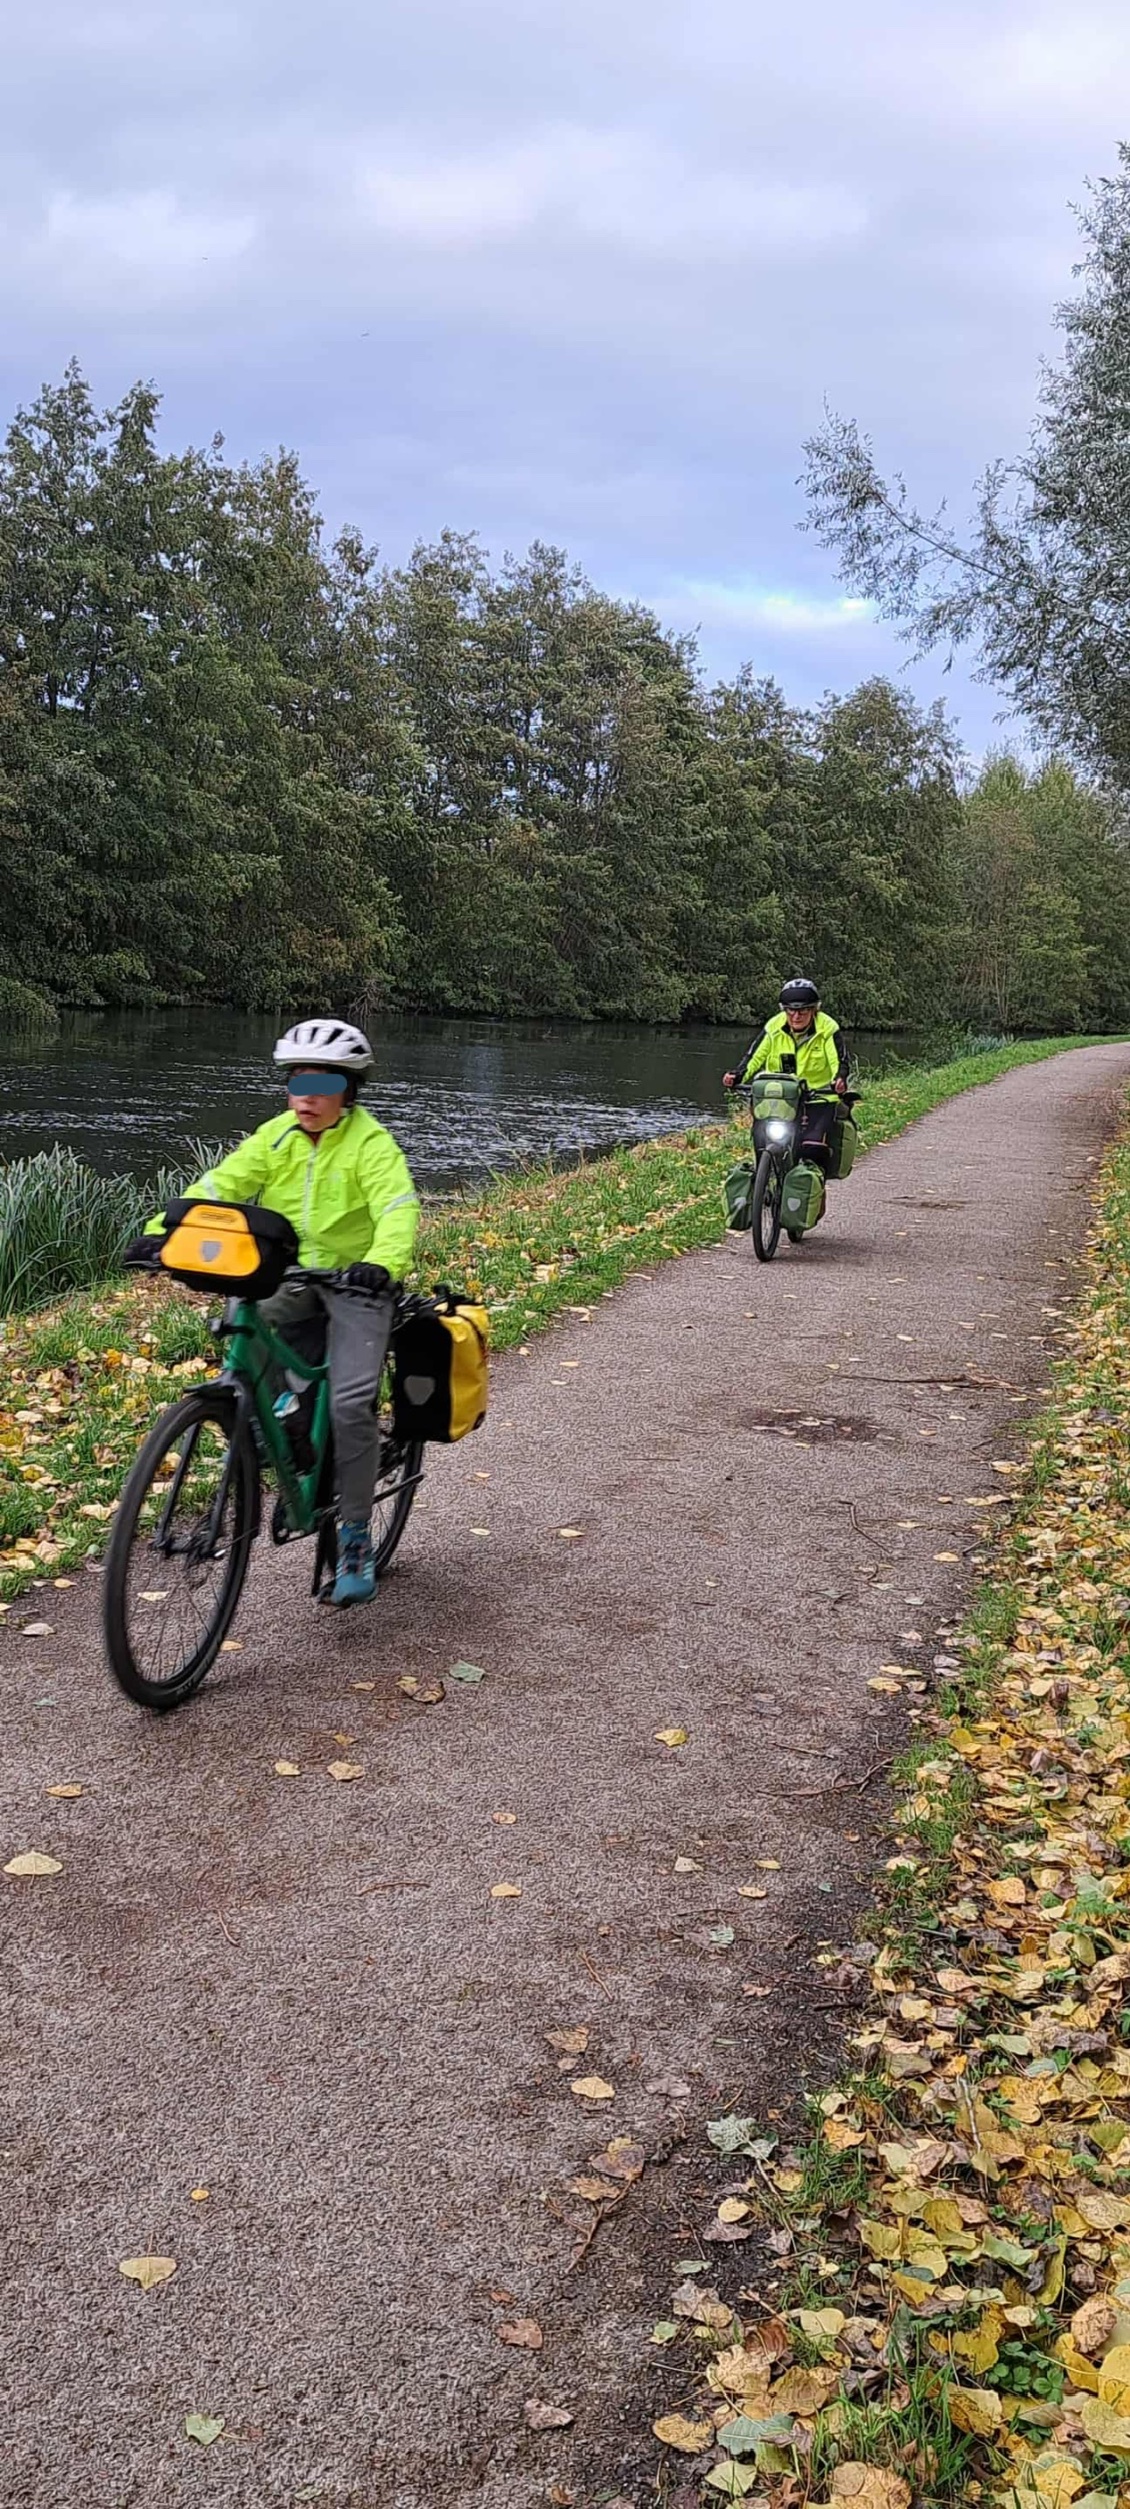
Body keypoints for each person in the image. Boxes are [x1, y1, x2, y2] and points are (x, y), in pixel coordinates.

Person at [136, 1017, 418, 1608]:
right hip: (290, 1273)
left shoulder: (372, 1145)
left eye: (323, 1084)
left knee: (349, 1404)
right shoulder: (276, 1137)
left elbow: (397, 1208)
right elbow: (221, 1184)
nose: (307, 1097)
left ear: (348, 1090)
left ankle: (356, 1536)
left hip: (355, 1283)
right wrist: (164, 1231)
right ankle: (277, 1426)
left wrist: (381, 1263)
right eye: (297, 1083)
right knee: (246, 1326)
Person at [723, 977, 850, 1173]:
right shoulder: (774, 1026)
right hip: (779, 1098)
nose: (796, 1016)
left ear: (814, 1010)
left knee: (812, 1150)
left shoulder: (827, 1028)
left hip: (817, 1099)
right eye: (790, 1010)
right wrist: (737, 1076)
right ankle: (763, 1177)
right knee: (761, 1138)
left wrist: (839, 1080)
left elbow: (838, 1061)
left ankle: (811, 1186)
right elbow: (754, 1057)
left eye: (803, 1011)